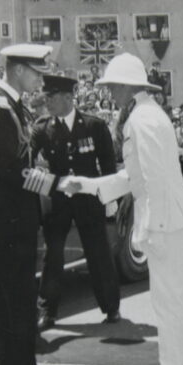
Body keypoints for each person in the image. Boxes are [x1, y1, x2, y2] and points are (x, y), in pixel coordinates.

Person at [75, 53, 183, 365]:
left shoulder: (142, 119)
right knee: (171, 304)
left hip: (166, 222)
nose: (110, 92)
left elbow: (153, 176)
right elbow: (136, 176)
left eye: (114, 86)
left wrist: (151, 228)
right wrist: (89, 185)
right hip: (171, 219)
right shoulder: (146, 114)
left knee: (170, 305)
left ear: (128, 86)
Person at [0, 44, 68, 365]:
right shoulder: (2, 109)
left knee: (14, 297)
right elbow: (10, 172)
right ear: (17, 70)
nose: (39, 81)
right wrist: (55, 184)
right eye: (35, 73)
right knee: (15, 297)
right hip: (10, 220)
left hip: (11, 218)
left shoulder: (7, 105)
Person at [32, 75, 121, 330]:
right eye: (46, 98)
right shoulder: (42, 128)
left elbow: (108, 165)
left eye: (51, 98)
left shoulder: (94, 125)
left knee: (98, 254)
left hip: (88, 200)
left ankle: (111, 307)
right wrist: (53, 184)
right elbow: (27, 163)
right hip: (58, 202)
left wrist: (109, 198)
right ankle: (47, 311)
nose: (47, 103)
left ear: (68, 98)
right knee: (53, 256)